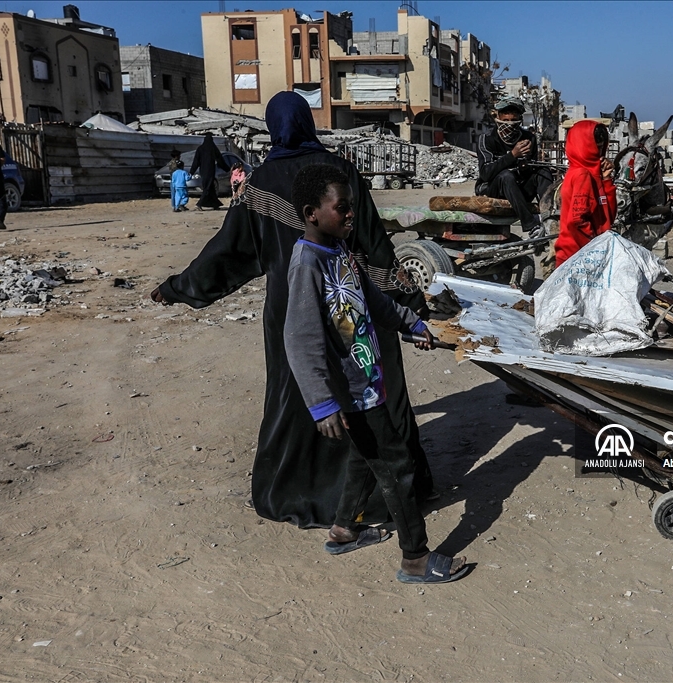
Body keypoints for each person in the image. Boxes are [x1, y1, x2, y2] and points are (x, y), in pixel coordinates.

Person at [150, 90, 436, 531]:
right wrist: (409, 304)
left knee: (300, 393)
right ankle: (379, 502)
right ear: (307, 122)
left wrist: (177, 287)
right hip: (348, 304)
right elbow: (374, 245)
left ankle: (298, 493)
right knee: (368, 395)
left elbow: (227, 252)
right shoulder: (339, 172)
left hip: (292, 308)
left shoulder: (259, 183)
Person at [284, 163, 467, 584]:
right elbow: (300, 338)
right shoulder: (307, 263)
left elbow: (373, 301)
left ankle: (344, 529)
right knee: (397, 465)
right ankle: (415, 558)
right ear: (312, 213)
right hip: (350, 388)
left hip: (366, 378)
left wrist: (413, 324)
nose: (352, 214)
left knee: (364, 457)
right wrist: (322, 403)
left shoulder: (339, 252)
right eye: (342, 208)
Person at [475, 96, 552, 237]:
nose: (509, 124)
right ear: (498, 117)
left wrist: (525, 165)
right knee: (506, 176)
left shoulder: (528, 138)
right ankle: (531, 225)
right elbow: (485, 173)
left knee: (543, 171)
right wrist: (512, 155)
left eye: (513, 120)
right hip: (493, 188)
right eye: (505, 120)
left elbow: (532, 169)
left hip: (518, 188)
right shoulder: (486, 139)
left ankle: (549, 218)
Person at [554, 120, 616, 268]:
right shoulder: (582, 175)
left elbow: (608, 217)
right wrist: (595, 246)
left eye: (601, 148)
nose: (599, 154)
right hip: (578, 258)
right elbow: (577, 221)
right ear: (583, 147)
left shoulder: (591, 174)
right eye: (595, 148)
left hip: (586, 256)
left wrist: (606, 181)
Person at [189, 132, 229, 210]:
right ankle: (199, 204)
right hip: (210, 171)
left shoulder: (200, 149)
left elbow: (196, 162)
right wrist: (227, 169)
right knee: (207, 187)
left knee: (211, 188)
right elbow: (220, 159)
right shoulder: (213, 148)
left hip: (203, 171)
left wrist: (191, 172)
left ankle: (215, 204)